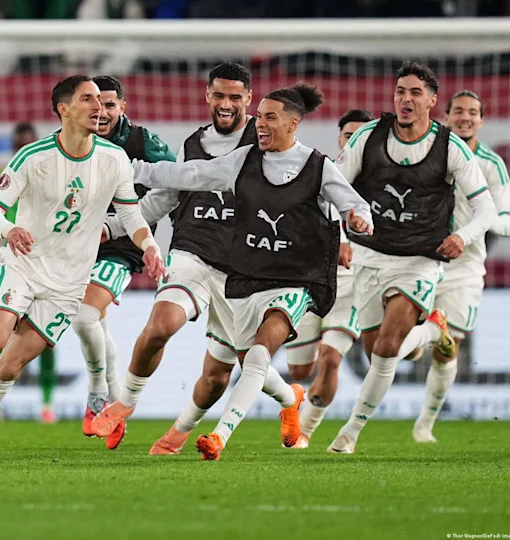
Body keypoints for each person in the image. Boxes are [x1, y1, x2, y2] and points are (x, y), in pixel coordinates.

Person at [96, 83, 374, 461]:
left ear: (293, 124)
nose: (259, 123)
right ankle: (289, 397)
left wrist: (359, 220)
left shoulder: (318, 166)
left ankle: (218, 437)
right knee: (232, 364)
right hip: (246, 276)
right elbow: (187, 177)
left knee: (257, 357)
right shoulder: (243, 160)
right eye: (259, 116)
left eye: (269, 117)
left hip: (297, 279)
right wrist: (128, 167)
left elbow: (351, 205)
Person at [0, 75, 164, 459]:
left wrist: (150, 245)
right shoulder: (33, 157)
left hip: (68, 284)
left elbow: (131, 214)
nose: (98, 108)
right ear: (64, 109)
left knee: (10, 366)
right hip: (24, 265)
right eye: (87, 100)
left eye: (101, 103)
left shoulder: (114, 159)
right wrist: (10, 229)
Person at [329, 63, 497, 454]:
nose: (406, 99)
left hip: (421, 259)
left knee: (388, 347)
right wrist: (340, 234)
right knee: (375, 351)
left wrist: (462, 235)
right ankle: (432, 330)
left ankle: (349, 433)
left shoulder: (449, 146)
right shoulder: (368, 138)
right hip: (370, 256)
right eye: (400, 91)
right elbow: (332, 187)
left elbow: (486, 210)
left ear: (432, 101)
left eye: (415, 93)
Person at [73, 75, 175, 449]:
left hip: (123, 245)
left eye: (110, 105)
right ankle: (115, 406)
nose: (101, 111)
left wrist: (146, 225)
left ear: (123, 108)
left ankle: (98, 396)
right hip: (76, 243)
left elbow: (175, 180)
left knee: (85, 317)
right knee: (94, 321)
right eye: (94, 103)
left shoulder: (141, 142)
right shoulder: (69, 138)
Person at [408, 90, 510, 442]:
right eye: (458, 111)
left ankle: (425, 423)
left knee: (446, 348)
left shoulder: (491, 164)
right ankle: (426, 332)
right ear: (447, 115)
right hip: (420, 258)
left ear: (481, 120)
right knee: (407, 349)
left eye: (473, 112)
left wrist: (473, 229)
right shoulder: (428, 151)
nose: (465, 117)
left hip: (465, 266)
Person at [287, 109, 374, 448]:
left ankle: (304, 432)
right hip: (311, 280)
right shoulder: (318, 172)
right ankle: (295, 401)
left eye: (360, 135)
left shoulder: (381, 179)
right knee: (297, 371)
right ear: (339, 139)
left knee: (331, 358)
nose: (353, 140)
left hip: (354, 286)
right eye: (347, 135)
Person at [0, 122, 57, 424]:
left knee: (42, 338)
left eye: (27, 142)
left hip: (48, 265)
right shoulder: (12, 175)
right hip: (15, 264)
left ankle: (47, 403)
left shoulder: (54, 172)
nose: (23, 148)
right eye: (18, 143)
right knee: (0, 335)